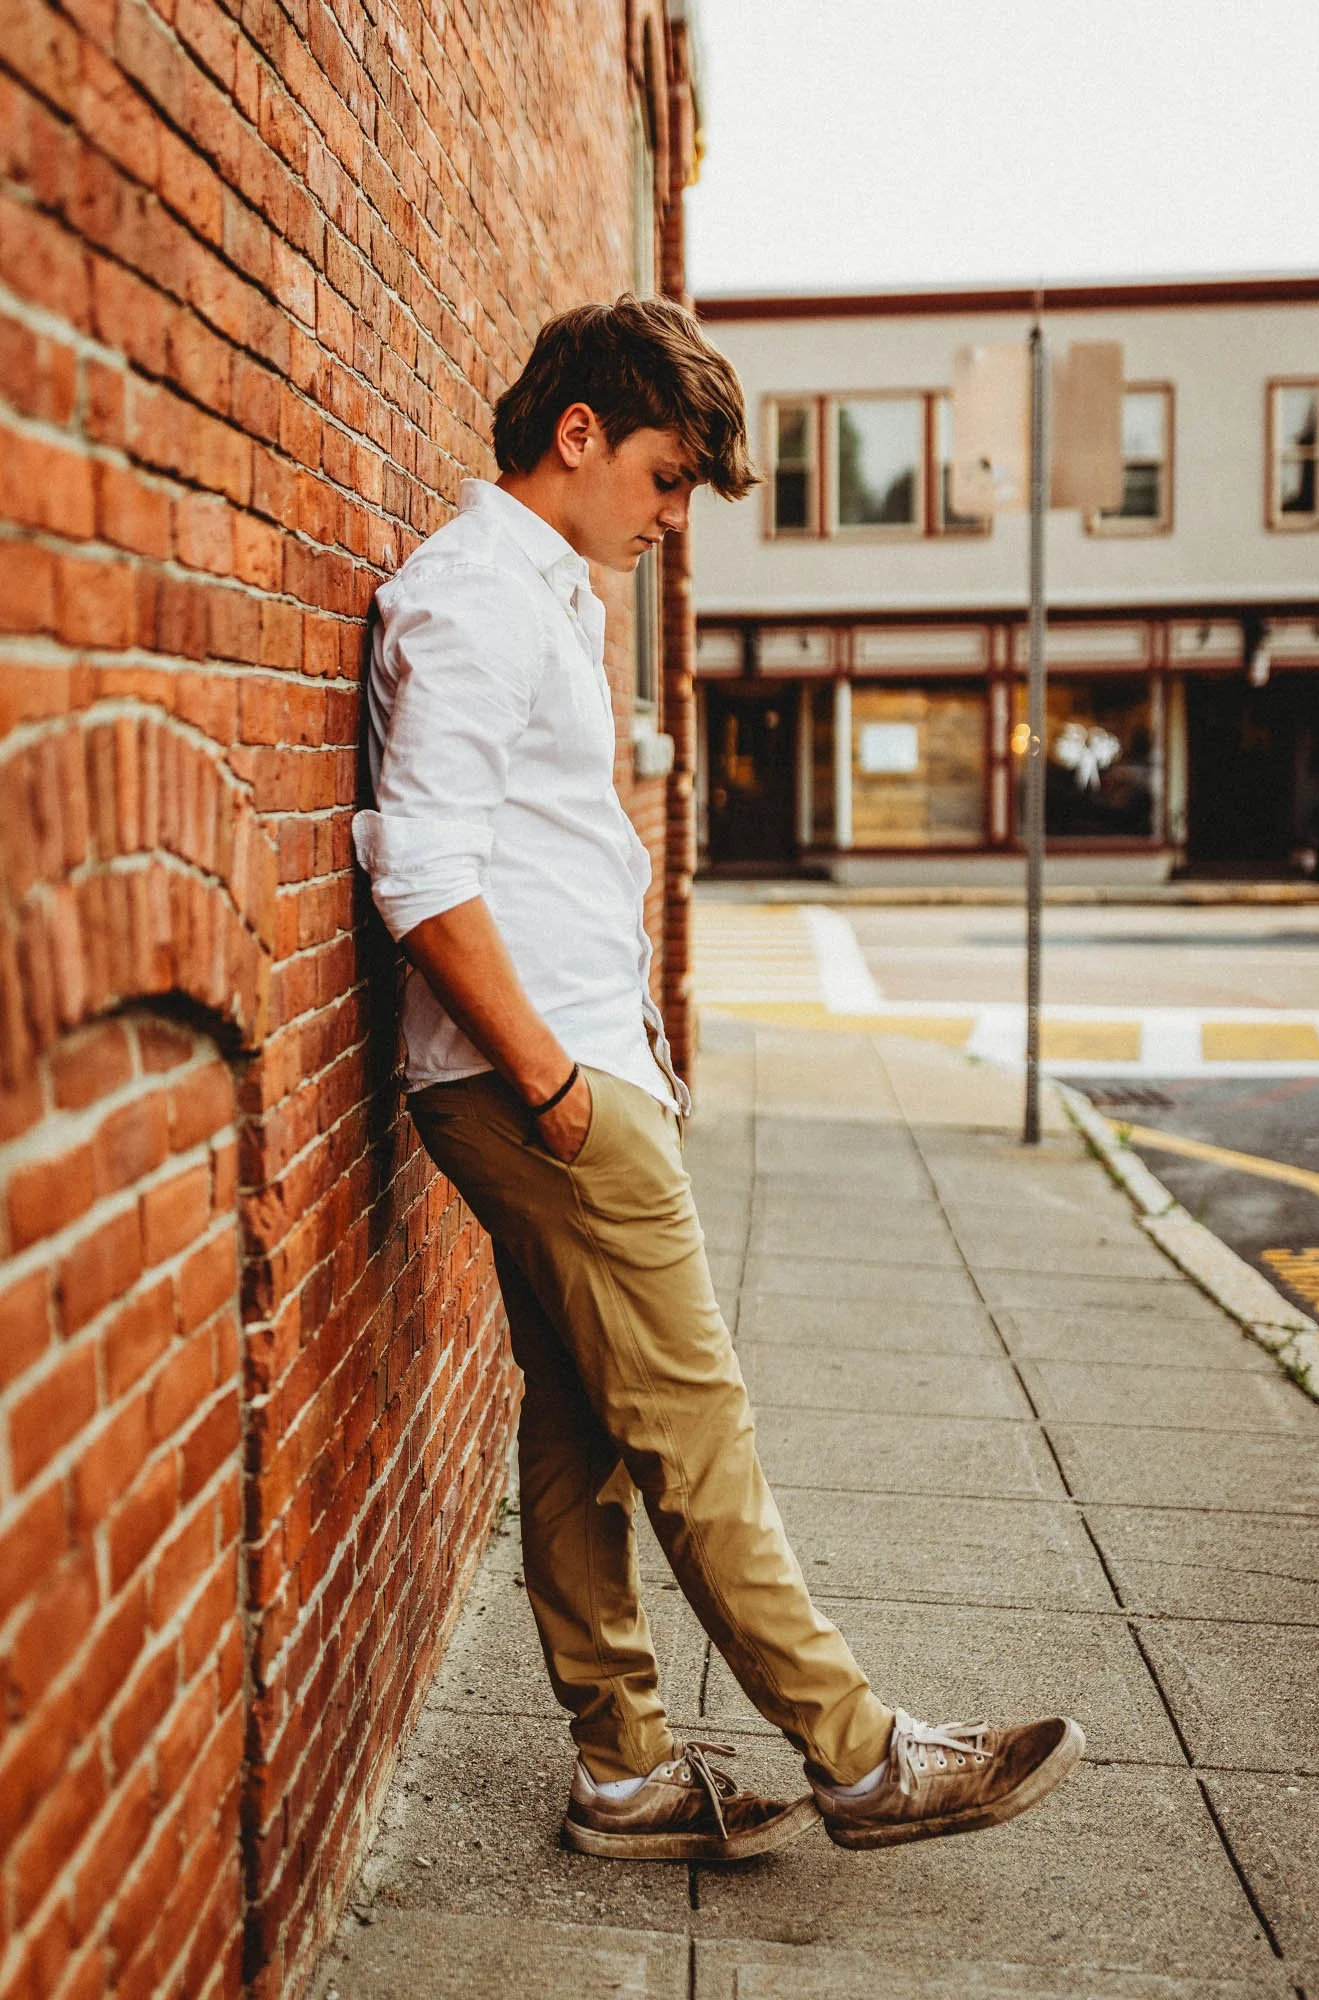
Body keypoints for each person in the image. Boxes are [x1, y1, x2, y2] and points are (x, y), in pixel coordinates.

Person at [352, 295, 1084, 1863]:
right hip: (535, 1080)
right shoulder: (478, 596)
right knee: (698, 1426)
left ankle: (620, 1771)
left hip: (550, 1069)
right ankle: (863, 1754)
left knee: (580, 1427)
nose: (674, 518)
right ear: (578, 435)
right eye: (666, 477)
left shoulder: (546, 595)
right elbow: (419, 869)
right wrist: (557, 1083)